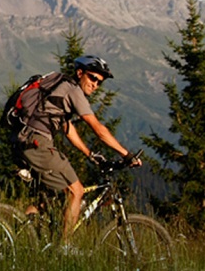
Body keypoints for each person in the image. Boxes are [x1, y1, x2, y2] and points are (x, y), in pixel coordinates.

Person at [13, 55, 142, 247]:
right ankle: (64, 248)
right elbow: (97, 128)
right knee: (76, 191)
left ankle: (13, 236)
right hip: (37, 142)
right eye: (92, 78)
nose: (95, 85)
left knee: (48, 200)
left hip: (27, 141)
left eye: (100, 82)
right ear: (80, 73)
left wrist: (89, 154)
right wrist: (126, 154)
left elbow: (68, 129)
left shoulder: (62, 88)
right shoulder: (73, 90)